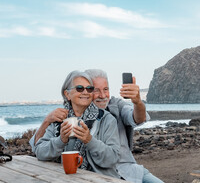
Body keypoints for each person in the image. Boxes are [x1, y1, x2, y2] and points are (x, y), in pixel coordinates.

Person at [30, 69, 163, 183]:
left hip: (127, 169)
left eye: (105, 89)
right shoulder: (62, 117)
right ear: (68, 94)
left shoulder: (113, 110)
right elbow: (38, 148)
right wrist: (47, 121)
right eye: (95, 90)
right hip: (91, 175)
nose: (102, 95)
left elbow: (138, 118)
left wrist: (138, 102)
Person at [34, 70, 121, 178]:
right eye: (80, 88)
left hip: (99, 179)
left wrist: (90, 141)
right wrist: (60, 140)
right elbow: (39, 152)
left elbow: (112, 159)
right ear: (67, 94)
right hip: (64, 178)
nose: (85, 92)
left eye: (89, 89)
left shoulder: (106, 119)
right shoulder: (59, 118)